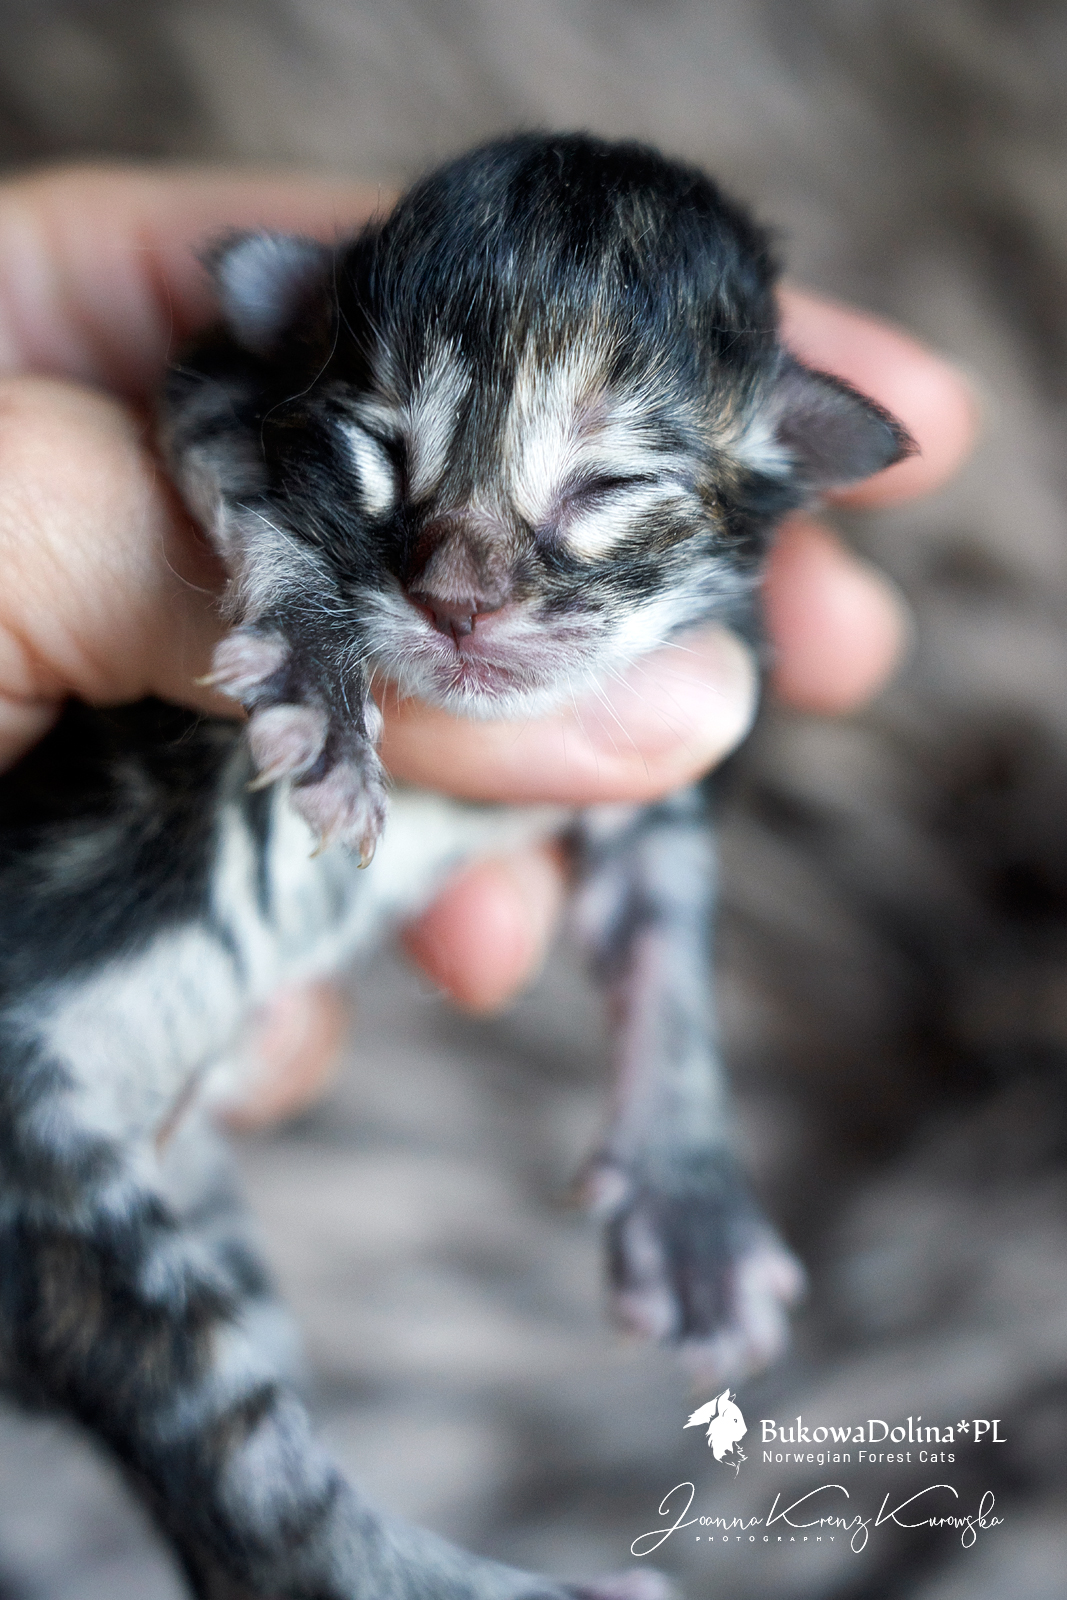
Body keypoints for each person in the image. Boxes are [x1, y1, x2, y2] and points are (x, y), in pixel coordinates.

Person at [0, 164, 977, 1123]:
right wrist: (287, 588)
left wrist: (674, 1139)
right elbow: (214, 383)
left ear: (792, 444)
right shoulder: (265, 392)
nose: (457, 591)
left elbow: (663, 862)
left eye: (602, 487)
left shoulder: (715, 612)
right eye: (389, 451)